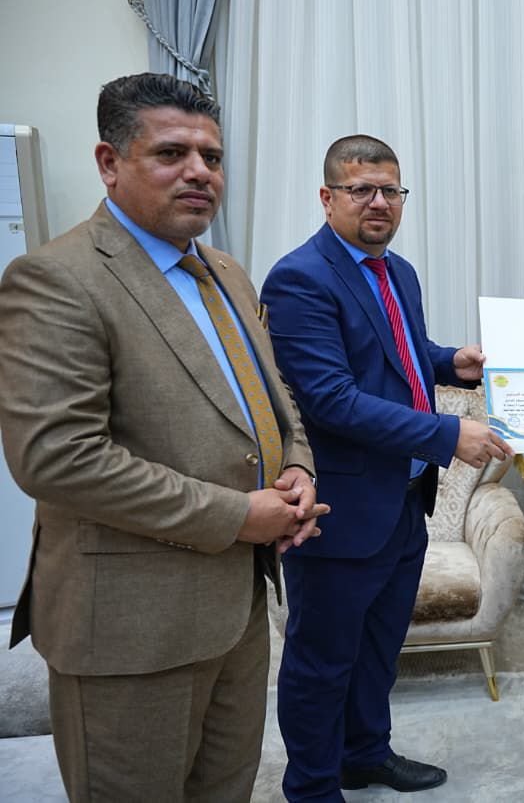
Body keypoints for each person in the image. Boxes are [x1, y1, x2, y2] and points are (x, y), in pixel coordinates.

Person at [0, 72, 325, 802]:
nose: (200, 172)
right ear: (109, 162)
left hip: (238, 611)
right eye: (172, 153)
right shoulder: (56, 278)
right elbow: (57, 457)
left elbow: (274, 397)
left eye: (212, 157)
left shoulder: (228, 273)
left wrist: (298, 466)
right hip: (130, 627)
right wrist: (238, 515)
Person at [261, 134, 512, 801]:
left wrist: (450, 361)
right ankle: (313, 786)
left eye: (390, 190)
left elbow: (397, 352)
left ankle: (365, 753)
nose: (379, 202)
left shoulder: (396, 271)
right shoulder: (300, 279)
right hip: (338, 510)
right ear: (328, 197)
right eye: (361, 189)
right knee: (322, 661)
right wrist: (447, 433)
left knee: (378, 647)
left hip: (403, 500)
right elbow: (332, 397)